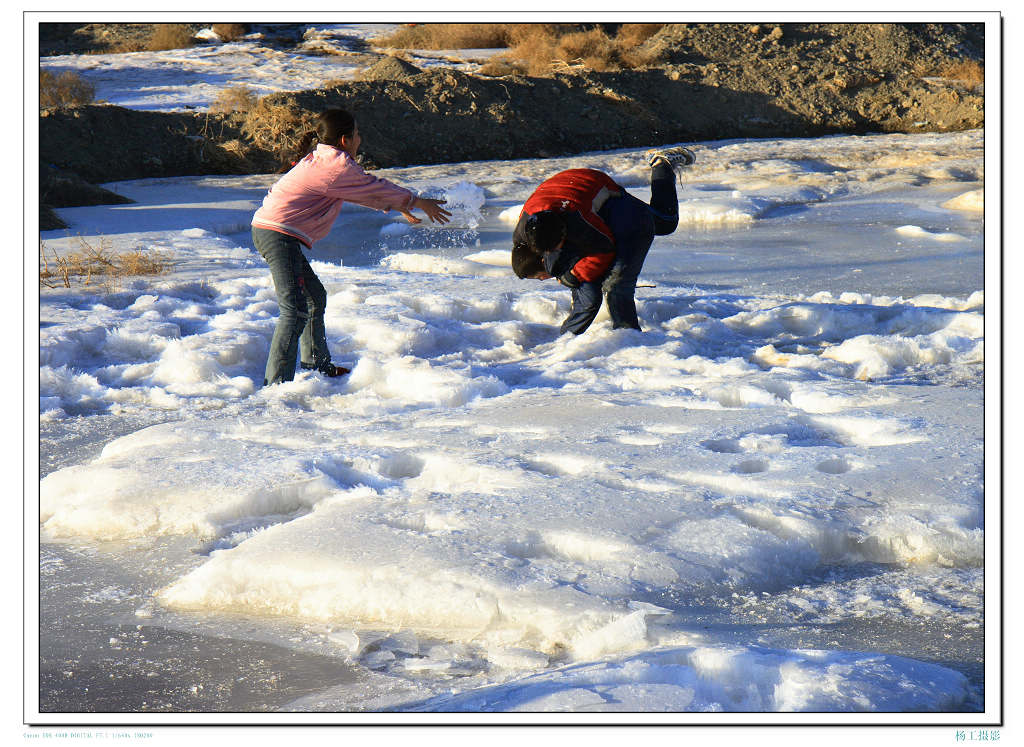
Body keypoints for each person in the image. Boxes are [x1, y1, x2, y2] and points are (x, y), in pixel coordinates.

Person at [251, 109, 452, 386]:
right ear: (345, 140)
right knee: (295, 308)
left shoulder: (327, 159)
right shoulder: (335, 167)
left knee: (314, 297)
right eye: (357, 134)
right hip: (276, 234)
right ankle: (276, 385)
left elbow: (360, 190)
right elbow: (371, 186)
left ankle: (317, 367)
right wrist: (416, 201)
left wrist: (398, 203)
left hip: (275, 231)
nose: (360, 139)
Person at [511, 147, 695, 335]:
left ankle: (628, 337)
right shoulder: (525, 233)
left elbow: (603, 251)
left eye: (539, 276)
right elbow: (561, 257)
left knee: (661, 227)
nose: (542, 280)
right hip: (564, 186)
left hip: (599, 189)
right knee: (579, 269)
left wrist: (574, 275)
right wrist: (566, 274)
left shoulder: (581, 223)